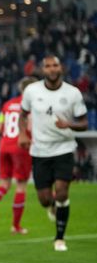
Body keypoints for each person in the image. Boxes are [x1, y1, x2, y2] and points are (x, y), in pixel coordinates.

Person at [18, 55, 87, 252]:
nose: (52, 69)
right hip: (40, 150)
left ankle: (59, 238)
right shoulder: (32, 91)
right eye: (47, 66)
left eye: (55, 65)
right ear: (43, 69)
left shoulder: (73, 93)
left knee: (62, 190)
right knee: (44, 198)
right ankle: (52, 208)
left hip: (64, 148)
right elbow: (23, 115)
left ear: (61, 68)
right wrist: (22, 134)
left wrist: (69, 124)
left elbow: (84, 123)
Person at [0, 77, 37, 234]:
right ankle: (16, 226)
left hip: (4, 146)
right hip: (21, 147)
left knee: (4, 184)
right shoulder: (31, 107)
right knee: (21, 187)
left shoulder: (7, 105)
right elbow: (32, 127)